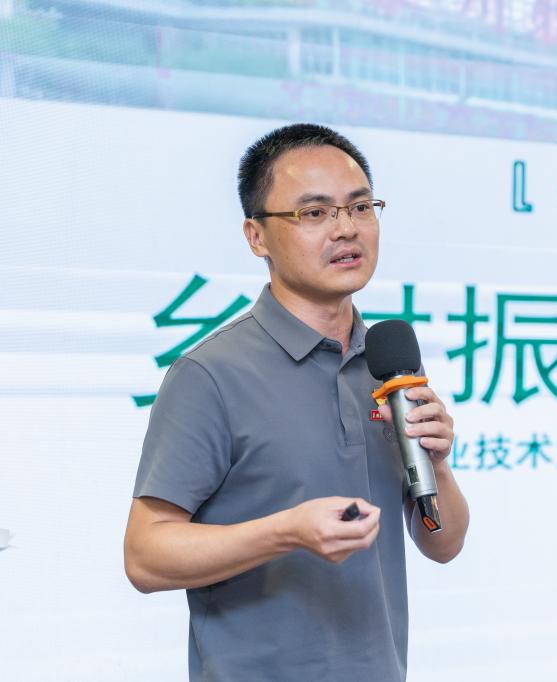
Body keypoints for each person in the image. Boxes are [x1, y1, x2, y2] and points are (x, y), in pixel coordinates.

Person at [123, 123, 469, 681]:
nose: (346, 228)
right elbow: (144, 556)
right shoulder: (211, 375)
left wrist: (439, 466)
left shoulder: (386, 366)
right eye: (314, 212)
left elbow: (444, 544)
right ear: (256, 236)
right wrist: (286, 532)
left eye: (361, 207)